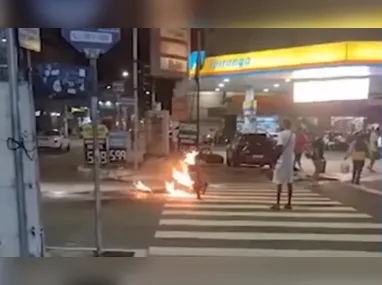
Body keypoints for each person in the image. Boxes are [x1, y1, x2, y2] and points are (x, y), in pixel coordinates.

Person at [271, 119, 296, 210]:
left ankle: (278, 203)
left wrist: (275, 158)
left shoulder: (281, 134)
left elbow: (280, 147)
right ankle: (289, 203)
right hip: (290, 161)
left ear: (284, 124)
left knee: (279, 182)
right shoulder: (293, 135)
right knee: (289, 182)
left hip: (281, 161)